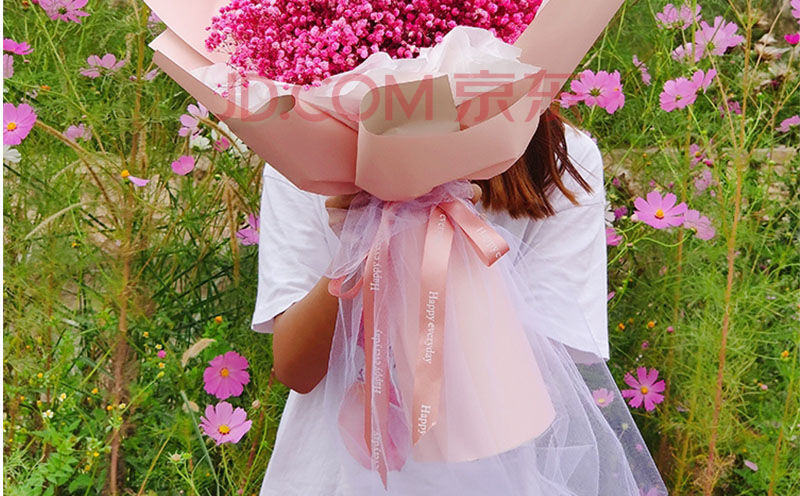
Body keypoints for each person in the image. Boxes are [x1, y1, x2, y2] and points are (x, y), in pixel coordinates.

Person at [251, 108, 665, 495]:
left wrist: (427, 230)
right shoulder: (305, 154)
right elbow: (296, 369)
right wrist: (362, 243)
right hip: (330, 474)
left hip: (486, 473)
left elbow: (550, 370)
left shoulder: (560, 157)